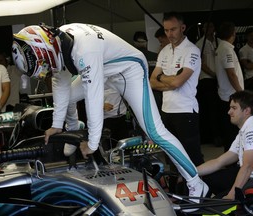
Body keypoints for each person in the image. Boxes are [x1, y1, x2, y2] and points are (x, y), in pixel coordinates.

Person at [12, 22, 209, 206]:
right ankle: (74, 128)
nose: (47, 68)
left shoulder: (84, 49)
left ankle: (197, 184)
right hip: (105, 69)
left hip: (129, 70)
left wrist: (92, 143)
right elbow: (60, 83)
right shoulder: (57, 41)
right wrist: (57, 124)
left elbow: (93, 96)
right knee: (68, 95)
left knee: (155, 132)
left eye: (45, 64)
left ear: (43, 48)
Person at [150, 12, 204, 167]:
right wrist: (168, 78)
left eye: (173, 29)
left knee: (192, 157)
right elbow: (152, 82)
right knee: (172, 157)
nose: (169, 34)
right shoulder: (164, 51)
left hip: (185, 110)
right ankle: (176, 189)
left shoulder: (192, 50)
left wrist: (162, 77)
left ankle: (200, 190)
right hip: (166, 111)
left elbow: (177, 83)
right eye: (166, 30)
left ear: (182, 28)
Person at [197, 90, 253, 200]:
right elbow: (219, 162)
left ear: (246, 111)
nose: (229, 112)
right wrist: (191, 173)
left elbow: (247, 167)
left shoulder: (251, 128)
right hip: (247, 175)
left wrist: (231, 196)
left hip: (250, 178)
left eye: (234, 108)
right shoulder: (244, 129)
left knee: (216, 205)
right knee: (208, 179)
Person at [215, 22, 244, 151]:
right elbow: (231, 73)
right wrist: (241, 93)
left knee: (229, 129)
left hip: (227, 94)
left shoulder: (223, 47)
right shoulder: (226, 49)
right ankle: (232, 159)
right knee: (232, 130)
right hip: (231, 95)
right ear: (233, 34)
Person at [195, 22, 221, 145]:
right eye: (206, 27)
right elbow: (201, 63)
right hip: (207, 79)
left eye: (211, 26)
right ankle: (212, 137)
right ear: (203, 29)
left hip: (220, 79)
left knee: (219, 109)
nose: (209, 29)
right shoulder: (200, 44)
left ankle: (219, 135)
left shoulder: (219, 41)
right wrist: (213, 74)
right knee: (210, 110)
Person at [152, 27, 170, 112]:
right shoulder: (162, 51)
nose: (161, 45)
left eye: (162, 42)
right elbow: (153, 80)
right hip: (163, 91)